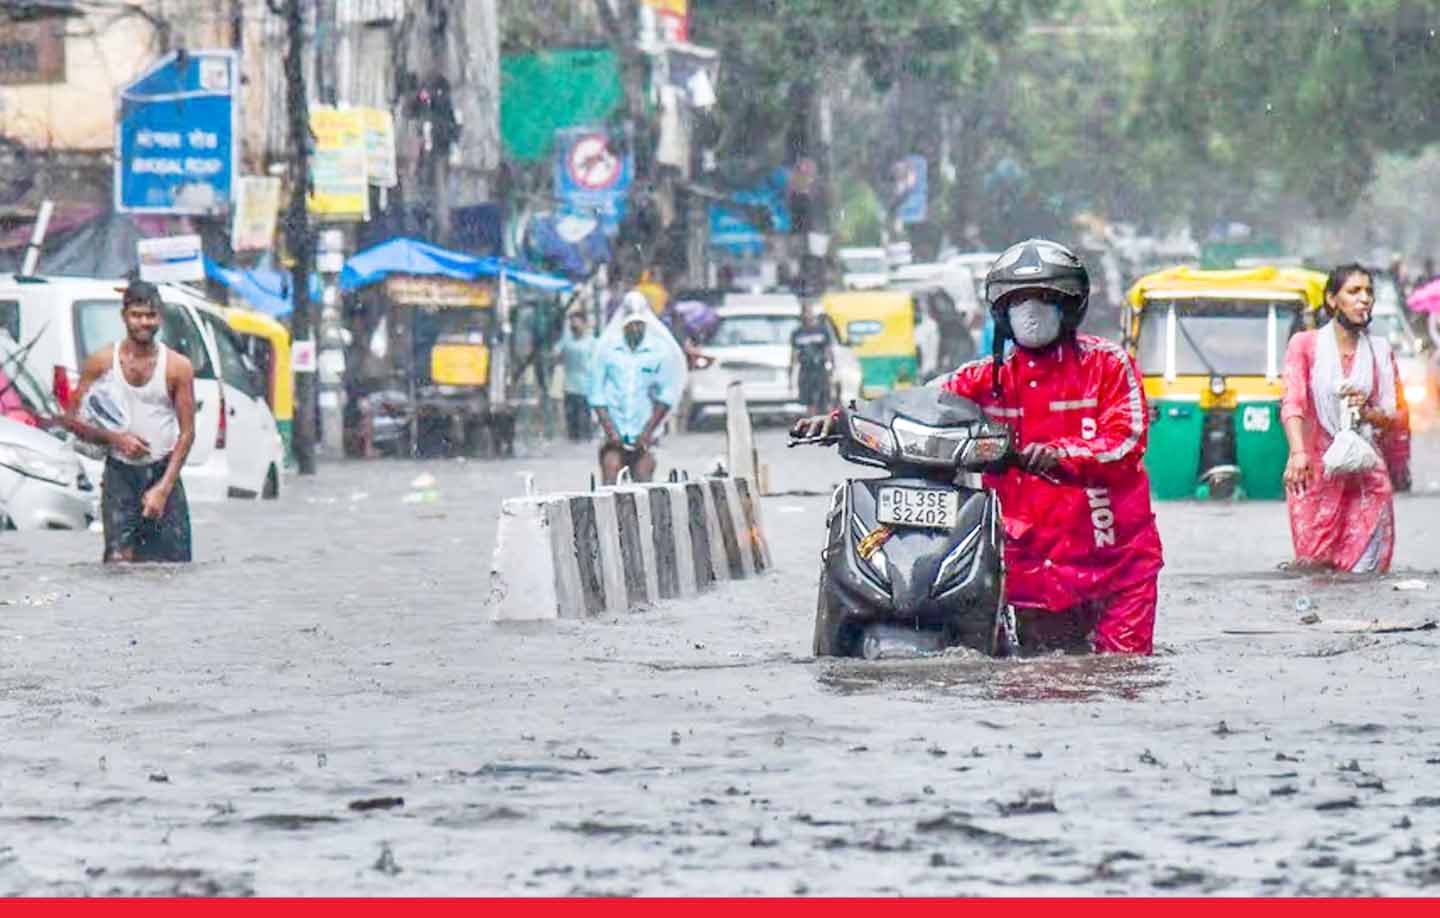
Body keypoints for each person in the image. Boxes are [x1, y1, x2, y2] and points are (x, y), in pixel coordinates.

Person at [793, 239, 1164, 654]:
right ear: (1002, 311)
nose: (1031, 312)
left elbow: (1126, 442)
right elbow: (918, 409)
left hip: (1115, 569)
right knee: (1025, 686)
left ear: (1071, 305)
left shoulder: (1109, 365)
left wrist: (1061, 454)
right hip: (1024, 569)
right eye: (1018, 300)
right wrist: (841, 422)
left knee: (1118, 680)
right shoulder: (982, 379)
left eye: (1044, 298)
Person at [64, 280, 196, 563]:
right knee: (118, 563)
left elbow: (187, 434)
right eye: (136, 315)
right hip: (119, 476)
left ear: (160, 317)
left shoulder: (177, 367)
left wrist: (163, 488)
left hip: (163, 473)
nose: (144, 322)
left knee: (173, 568)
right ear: (124, 316)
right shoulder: (101, 362)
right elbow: (71, 421)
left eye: (150, 315)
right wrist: (116, 439)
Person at [1281, 264, 1400, 573]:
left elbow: (1393, 416)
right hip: (1315, 474)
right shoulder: (1305, 345)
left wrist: (1367, 410)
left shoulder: (1379, 351)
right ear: (1332, 300)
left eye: (1368, 292)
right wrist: (1297, 454)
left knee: (1366, 577)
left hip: (1365, 479)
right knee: (1316, 573)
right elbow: (1292, 402)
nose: (1364, 300)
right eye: (1354, 291)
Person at [589, 292, 686, 484]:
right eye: (631, 324)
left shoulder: (659, 352)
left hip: (644, 433)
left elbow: (666, 395)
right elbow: (596, 394)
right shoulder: (606, 350)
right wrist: (612, 432)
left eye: (639, 324)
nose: (635, 328)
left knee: (643, 479)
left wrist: (647, 432)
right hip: (613, 434)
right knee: (611, 471)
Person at [555, 310, 595, 442]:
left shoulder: (592, 342)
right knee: (572, 422)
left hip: (586, 386)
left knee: (585, 421)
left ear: (584, 324)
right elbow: (555, 354)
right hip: (569, 385)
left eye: (577, 325)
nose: (574, 328)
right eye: (572, 325)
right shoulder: (566, 340)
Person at [789, 300, 834, 415]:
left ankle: (827, 425)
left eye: (809, 312)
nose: (807, 315)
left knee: (825, 400)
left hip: (820, 369)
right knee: (809, 402)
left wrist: (830, 368)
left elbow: (828, 350)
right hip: (806, 370)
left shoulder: (822, 330)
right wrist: (791, 374)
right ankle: (812, 425)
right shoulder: (797, 333)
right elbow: (794, 354)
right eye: (805, 312)